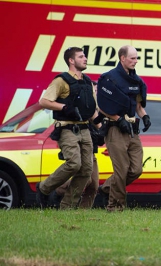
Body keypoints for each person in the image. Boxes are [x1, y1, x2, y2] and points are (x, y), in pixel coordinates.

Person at [36, 47, 98, 209]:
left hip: (85, 129)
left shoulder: (87, 82)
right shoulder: (61, 81)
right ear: (71, 61)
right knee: (74, 163)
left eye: (84, 56)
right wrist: (63, 108)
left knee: (86, 170)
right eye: (81, 56)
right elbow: (44, 101)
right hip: (67, 129)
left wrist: (100, 125)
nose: (85, 59)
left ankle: (67, 207)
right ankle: (44, 188)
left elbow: (91, 110)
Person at [96, 45, 151, 212]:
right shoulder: (108, 78)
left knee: (136, 169)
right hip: (115, 130)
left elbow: (138, 105)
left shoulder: (136, 80)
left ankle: (106, 189)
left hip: (132, 130)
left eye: (136, 58)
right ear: (122, 58)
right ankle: (115, 206)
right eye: (132, 58)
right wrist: (118, 119)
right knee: (122, 170)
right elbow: (102, 105)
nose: (135, 61)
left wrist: (145, 116)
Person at [53, 82, 103, 209]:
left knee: (94, 185)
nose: (96, 93)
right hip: (80, 145)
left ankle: (82, 212)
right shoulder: (84, 106)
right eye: (94, 91)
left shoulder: (98, 108)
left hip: (92, 148)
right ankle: (57, 190)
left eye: (97, 91)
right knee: (87, 179)